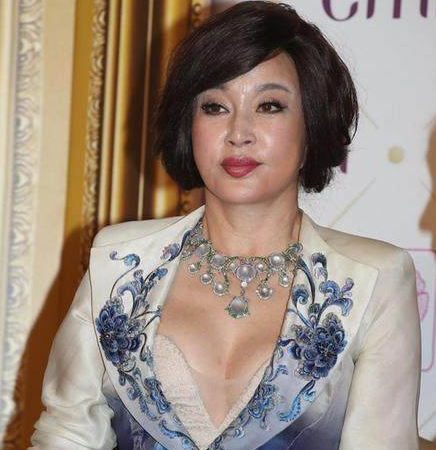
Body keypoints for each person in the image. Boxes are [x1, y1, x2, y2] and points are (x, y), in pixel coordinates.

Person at [28, 2, 421, 449]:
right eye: (215, 107)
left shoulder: (372, 278)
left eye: (269, 106)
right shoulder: (119, 264)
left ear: (312, 125)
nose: (238, 132)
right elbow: (67, 435)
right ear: (188, 124)